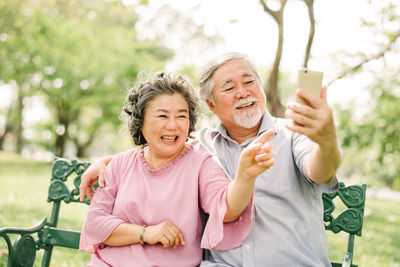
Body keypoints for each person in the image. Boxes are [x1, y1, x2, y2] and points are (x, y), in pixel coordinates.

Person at [80, 52, 342, 266]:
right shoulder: (201, 145)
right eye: (229, 87)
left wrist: (327, 139)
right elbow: (159, 151)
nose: (242, 92)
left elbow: (321, 170)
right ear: (212, 105)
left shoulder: (294, 134)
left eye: (249, 82)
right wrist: (107, 162)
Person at [79, 71, 275, 267]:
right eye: (162, 116)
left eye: (181, 116)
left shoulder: (200, 163)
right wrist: (146, 233)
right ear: (141, 121)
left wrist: (245, 176)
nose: (173, 126)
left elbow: (226, 209)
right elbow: (95, 224)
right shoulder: (120, 164)